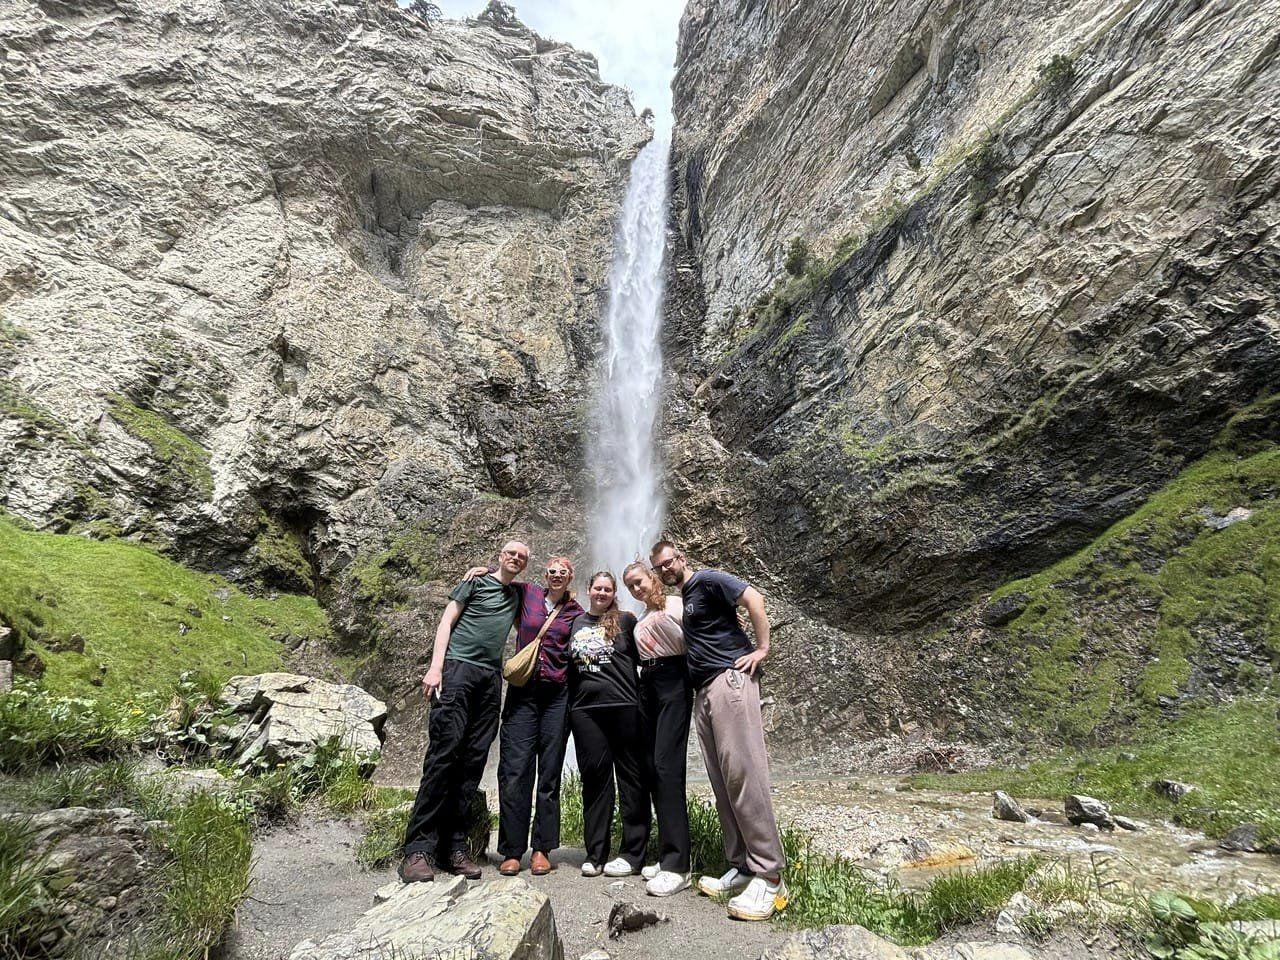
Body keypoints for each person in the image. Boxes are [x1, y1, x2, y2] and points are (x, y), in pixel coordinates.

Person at [648, 539, 787, 921]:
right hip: (705, 689)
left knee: (744, 773)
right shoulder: (688, 596)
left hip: (730, 679)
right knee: (723, 780)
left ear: (681, 558)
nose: (665, 570)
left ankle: (770, 876)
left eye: (668, 562)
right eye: (658, 567)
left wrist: (762, 649)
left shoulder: (708, 579)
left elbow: (753, 598)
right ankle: (742, 867)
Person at [398, 539, 529, 883]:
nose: (515, 558)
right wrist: (435, 667)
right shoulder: (475, 581)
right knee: (443, 755)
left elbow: (537, 615)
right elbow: (447, 621)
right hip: (457, 669)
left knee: (472, 762)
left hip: (491, 679)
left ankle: (454, 847)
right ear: (500, 556)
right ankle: (417, 850)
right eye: (511, 553)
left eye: (522, 557)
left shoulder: (517, 596)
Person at [464, 556, 584, 876]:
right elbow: (504, 577)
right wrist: (485, 570)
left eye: (563, 572)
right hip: (522, 696)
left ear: (570, 577)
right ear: (545, 575)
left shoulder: (576, 612)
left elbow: (593, 636)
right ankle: (512, 849)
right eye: (552, 571)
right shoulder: (528, 593)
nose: (557, 575)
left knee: (549, 772)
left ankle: (543, 848)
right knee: (514, 771)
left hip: (558, 697)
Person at [566, 571, 651, 878]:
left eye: (607, 589)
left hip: (625, 708)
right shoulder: (576, 623)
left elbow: (650, 658)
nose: (601, 592)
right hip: (586, 712)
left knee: (631, 779)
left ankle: (633, 853)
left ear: (614, 593)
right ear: (588, 590)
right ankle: (596, 853)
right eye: (597, 588)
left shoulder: (627, 621)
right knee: (595, 781)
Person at [622, 561, 692, 897]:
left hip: (673, 680)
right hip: (646, 684)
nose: (636, 589)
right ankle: (666, 853)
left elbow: (700, 638)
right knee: (651, 768)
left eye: (639, 582)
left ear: (652, 578)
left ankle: (678, 865)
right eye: (630, 586)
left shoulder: (677, 604)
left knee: (667, 767)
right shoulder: (639, 618)